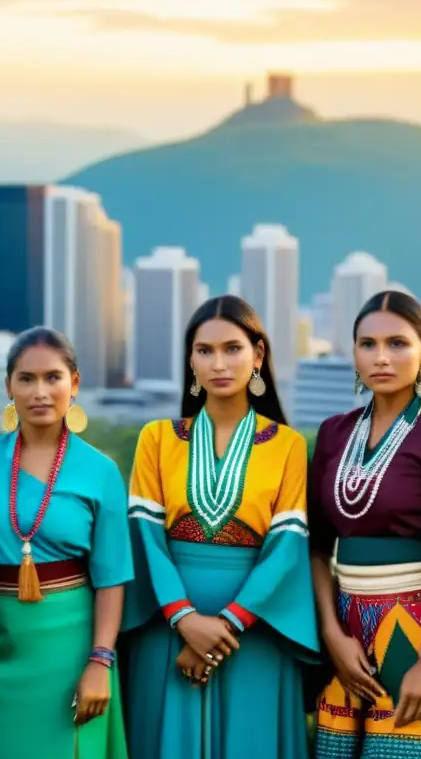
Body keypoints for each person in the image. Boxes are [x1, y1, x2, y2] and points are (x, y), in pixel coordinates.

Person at [120, 295, 319, 759]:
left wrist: (225, 626)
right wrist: (184, 620)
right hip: (167, 633)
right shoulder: (157, 438)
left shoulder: (287, 445)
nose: (218, 363)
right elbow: (146, 539)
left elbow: (287, 546)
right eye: (204, 350)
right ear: (190, 361)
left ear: (259, 356)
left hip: (254, 633)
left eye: (232, 348)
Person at [308, 290, 421, 759]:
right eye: (367, 344)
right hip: (346, 637)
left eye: (397, 344)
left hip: (416, 635)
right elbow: (317, 548)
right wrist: (332, 635)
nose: (380, 357)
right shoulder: (334, 433)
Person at [0, 327, 133, 759]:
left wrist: (100, 661)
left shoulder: (100, 470)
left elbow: (112, 579)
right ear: (8, 387)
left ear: (74, 383)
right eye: (26, 379)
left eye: (53, 377)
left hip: (70, 645)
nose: (40, 391)